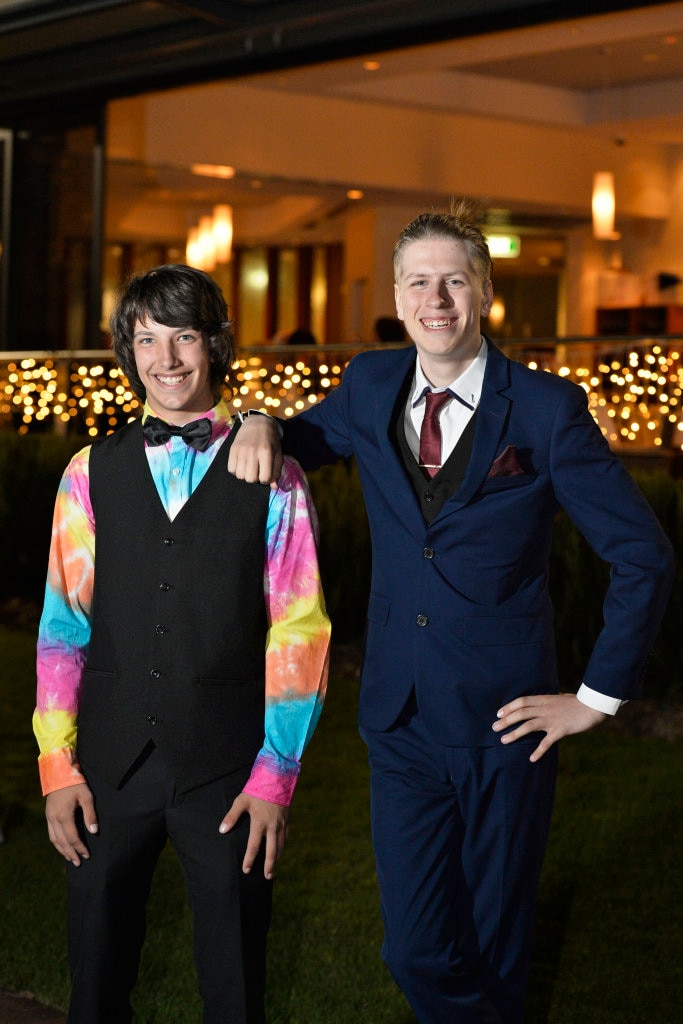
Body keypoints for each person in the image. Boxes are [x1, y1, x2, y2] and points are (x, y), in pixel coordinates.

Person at [226, 202, 675, 1024]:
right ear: (398, 296)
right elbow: (299, 439)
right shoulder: (366, 383)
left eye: (454, 281)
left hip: (506, 719)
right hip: (397, 715)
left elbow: (641, 555)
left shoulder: (544, 409)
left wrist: (594, 698)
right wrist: (256, 418)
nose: (436, 299)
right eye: (419, 282)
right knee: (413, 948)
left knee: (495, 944)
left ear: (485, 294)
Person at [33, 264, 331, 1024]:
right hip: (105, 771)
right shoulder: (87, 472)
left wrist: (276, 775)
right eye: (146, 339)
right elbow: (64, 627)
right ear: (127, 353)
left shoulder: (279, 477)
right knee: (94, 986)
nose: (166, 359)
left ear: (215, 344)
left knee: (233, 988)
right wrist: (56, 765)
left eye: (184, 336)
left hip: (228, 776)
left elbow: (299, 633)